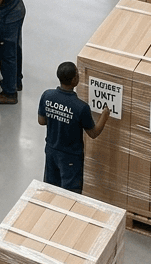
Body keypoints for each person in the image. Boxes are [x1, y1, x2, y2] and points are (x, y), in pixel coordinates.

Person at [38, 62, 111, 192]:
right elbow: (93, 133)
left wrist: (58, 119)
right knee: (70, 194)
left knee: (50, 188)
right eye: (78, 74)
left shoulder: (47, 95)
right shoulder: (80, 107)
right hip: (70, 157)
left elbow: (42, 121)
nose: (79, 75)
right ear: (74, 80)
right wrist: (104, 116)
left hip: (51, 150)